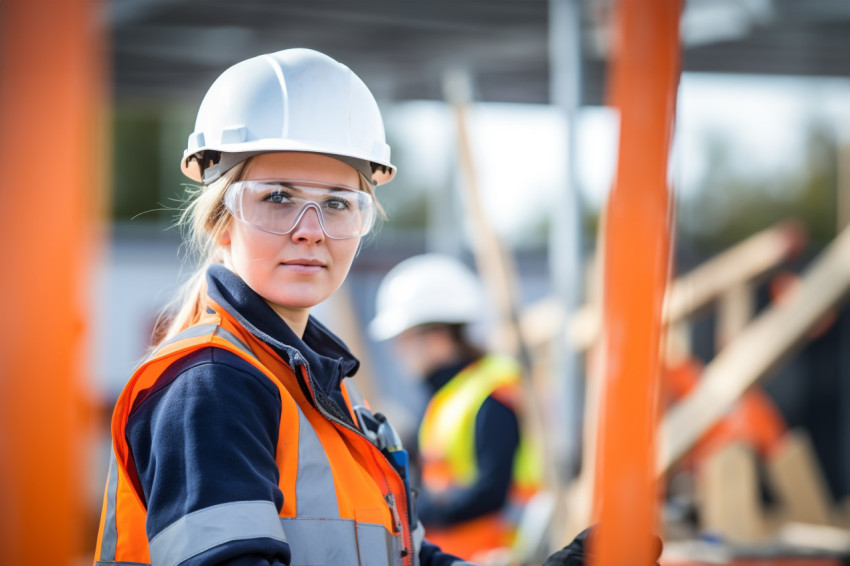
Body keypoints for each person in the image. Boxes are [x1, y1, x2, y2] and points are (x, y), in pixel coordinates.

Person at [91, 45, 648, 566]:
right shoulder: (211, 387)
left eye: (337, 203)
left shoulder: (325, 396)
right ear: (220, 219)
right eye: (278, 197)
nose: (311, 231)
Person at [369, 254, 542, 563]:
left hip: (492, 553)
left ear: (437, 336)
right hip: (457, 553)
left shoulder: (491, 390)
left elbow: (491, 491)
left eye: (405, 338)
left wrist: (410, 512)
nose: (397, 351)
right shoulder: (452, 393)